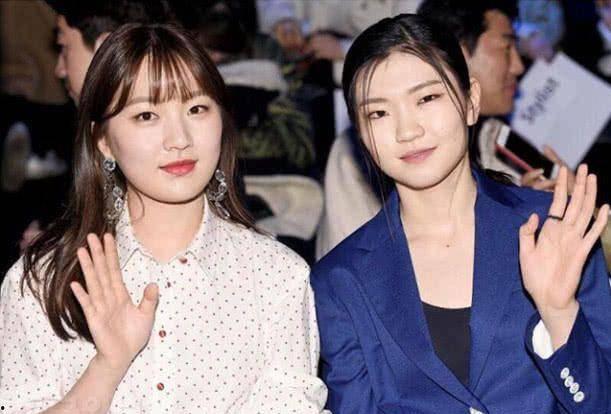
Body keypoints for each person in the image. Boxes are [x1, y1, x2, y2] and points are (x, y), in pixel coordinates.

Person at [0, 24, 327, 413]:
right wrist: (107, 366)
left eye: (196, 109)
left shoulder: (276, 278)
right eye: (146, 115)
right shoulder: (42, 280)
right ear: (103, 140)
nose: (179, 139)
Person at [311, 14, 611, 413]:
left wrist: (559, 314)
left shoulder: (553, 230)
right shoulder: (339, 280)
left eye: (427, 99)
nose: (407, 131)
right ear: (361, 134)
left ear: (471, 102)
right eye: (378, 114)